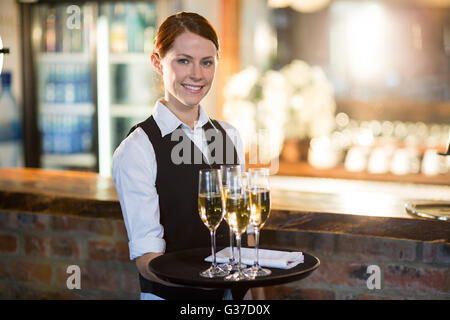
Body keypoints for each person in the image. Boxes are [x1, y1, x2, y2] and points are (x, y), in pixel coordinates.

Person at [112, 12, 248, 300]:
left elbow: (240, 238)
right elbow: (147, 261)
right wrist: (204, 283)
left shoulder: (230, 136)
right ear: (157, 62)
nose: (197, 74)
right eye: (183, 60)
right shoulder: (138, 149)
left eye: (206, 62)